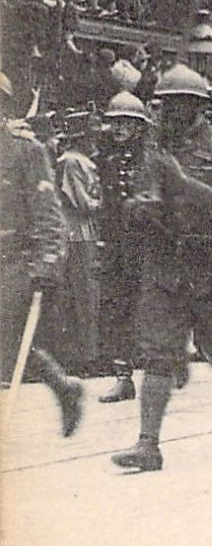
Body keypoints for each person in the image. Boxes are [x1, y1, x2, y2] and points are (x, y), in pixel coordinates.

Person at [111, 64, 212, 472]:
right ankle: (148, 445)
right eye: (166, 104)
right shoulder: (155, 148)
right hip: (165, 263)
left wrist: (181, 182)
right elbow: (143, 197)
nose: (171, 113)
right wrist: (139, 208)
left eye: (181, 104)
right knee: (158, 355)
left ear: (199, 107)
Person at [0, 113, 84, 437]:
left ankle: (63, 386)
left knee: (7, 339)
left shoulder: (26, 151)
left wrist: (48, 261)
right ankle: (63, 386)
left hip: (15, 259)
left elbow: (48, 210)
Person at [95, 91, 153, 403]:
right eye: (115, 122)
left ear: (140, 127)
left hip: (147, 245)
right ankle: (123, 377)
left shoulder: (153, 161)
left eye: (126, 123)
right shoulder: (106, 161)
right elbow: (106, 206)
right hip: (118, 245)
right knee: (118, 307)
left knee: (153, 310)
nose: (119, 129)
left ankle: (160, 376)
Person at [47, 111, 101, 376]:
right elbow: (82, 202)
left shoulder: (84, 160)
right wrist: (107, 203)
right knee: (82, 297)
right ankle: (83, 358)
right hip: (77, 235)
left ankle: (88, 354)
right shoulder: (70, 161)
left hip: (87, 233)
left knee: (88, 296)